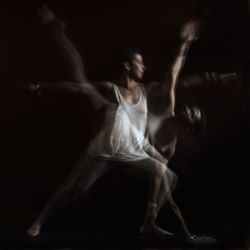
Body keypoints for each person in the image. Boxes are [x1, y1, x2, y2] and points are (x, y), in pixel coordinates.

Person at [26, 5, 199, 239]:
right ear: (127, 66)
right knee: (73, 188)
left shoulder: (146, 90)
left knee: (167, 174)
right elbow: (79, 88)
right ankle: (39, 221)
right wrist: (43, 87)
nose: (144, 66)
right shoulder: (112, 89)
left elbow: (172, 73)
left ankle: (149, 222)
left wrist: (184, 44)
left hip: (134, 148)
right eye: (139, 63)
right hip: (105, 147)